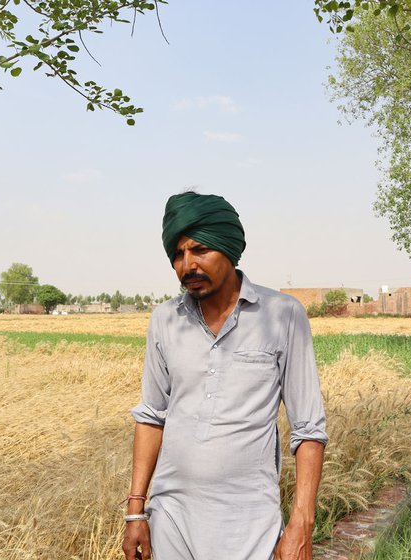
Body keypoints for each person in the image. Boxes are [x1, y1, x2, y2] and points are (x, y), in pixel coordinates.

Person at [122, 192, 328, 560]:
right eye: (178, 254)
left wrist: (301, 523)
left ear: (229, 249)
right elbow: (152, 416)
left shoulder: (282, 316)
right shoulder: (165, 320)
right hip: (171, 520)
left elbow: (309, 428)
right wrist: (136, 510)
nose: (187, 265)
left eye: (200, 249)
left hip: (249, 525)